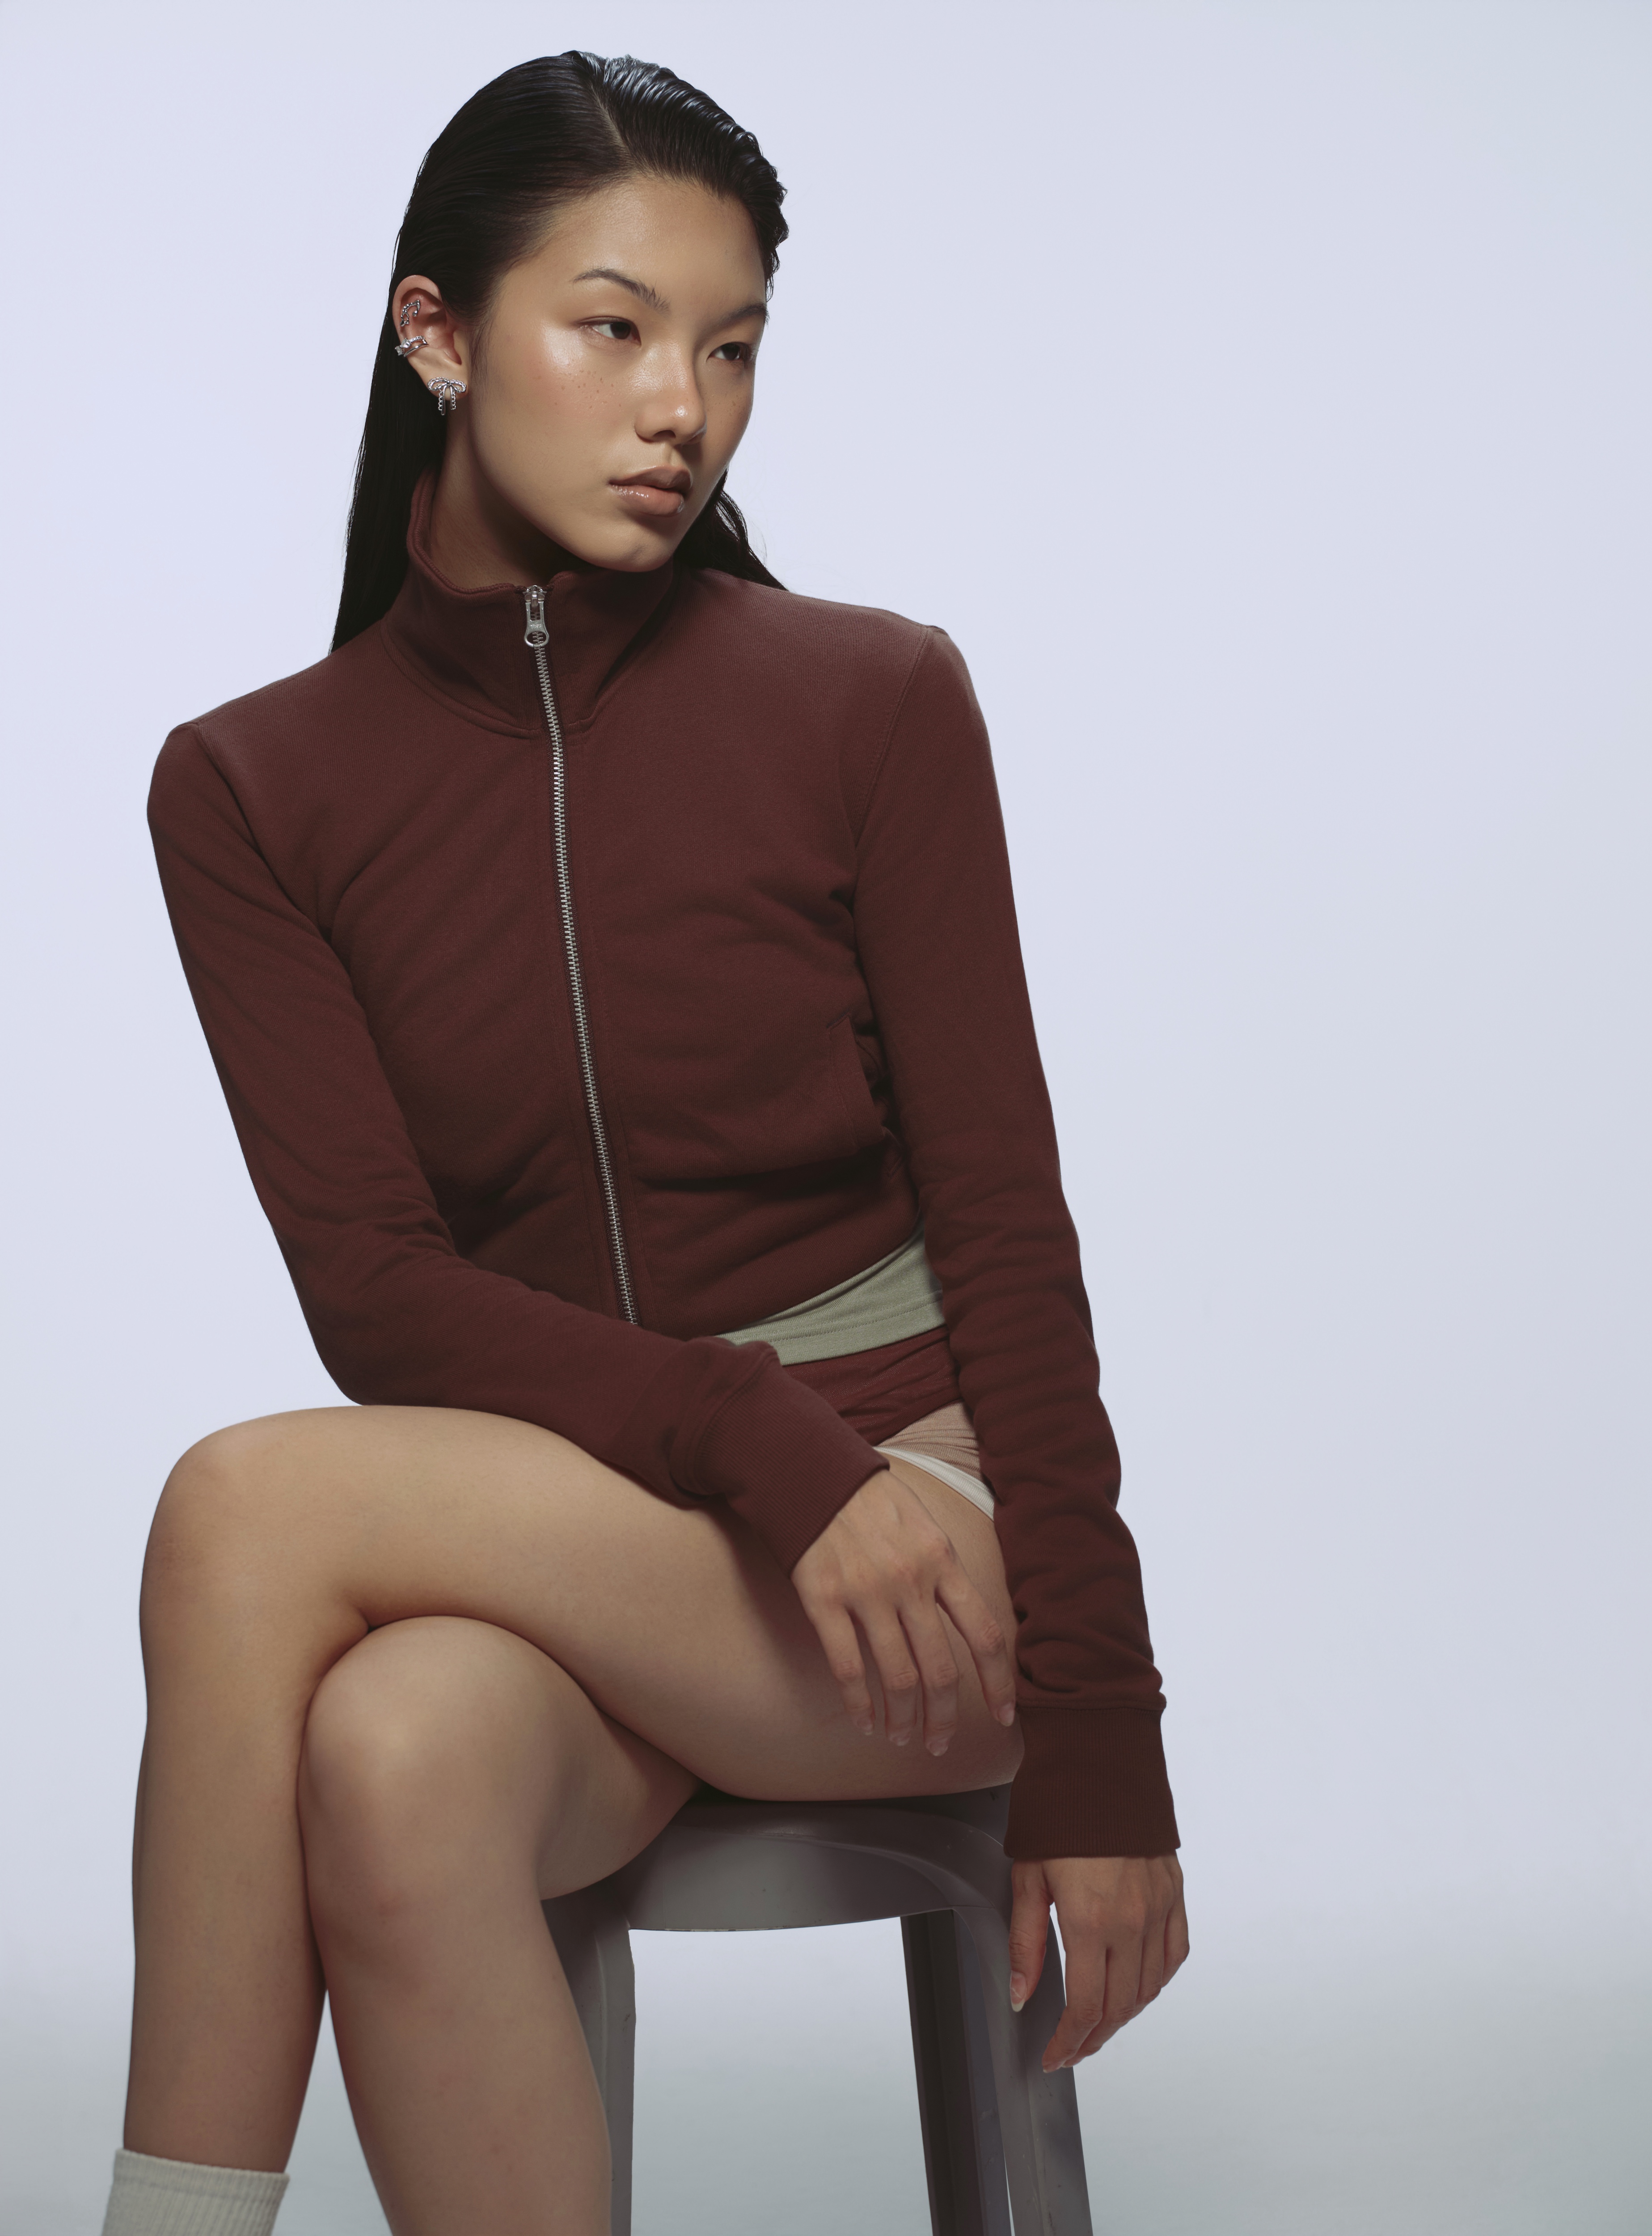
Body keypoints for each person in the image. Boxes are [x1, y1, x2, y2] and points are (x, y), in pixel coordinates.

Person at [104, 50, 1189, 2236]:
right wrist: (746, 1439)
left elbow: (1006, 1230)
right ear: (435, 335)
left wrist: (1105, 1737)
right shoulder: (251, 790)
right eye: (610, 328)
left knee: (238, 1504)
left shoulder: (868, 697)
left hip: (913, 1542)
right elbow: (381, 1294)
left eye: (730, 346)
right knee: (386, 1754)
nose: (678, 407)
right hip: (615, 1533)